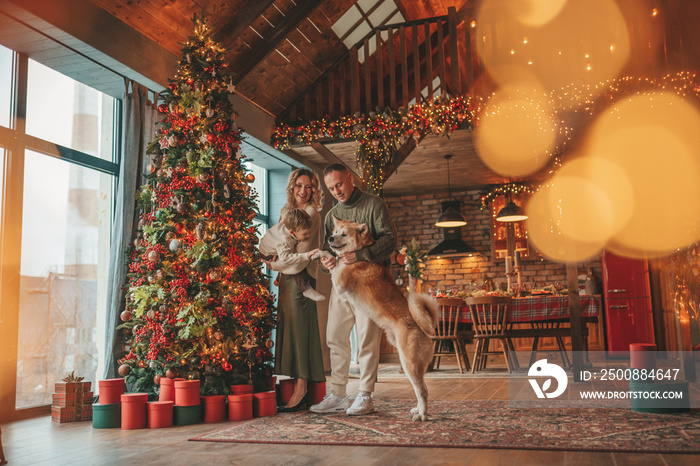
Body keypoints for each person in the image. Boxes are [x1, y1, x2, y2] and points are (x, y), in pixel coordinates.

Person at [310, 163, 397, 416]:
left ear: (350, 178)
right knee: (335, 335)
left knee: (367, 337)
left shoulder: (374, 204)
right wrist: (325, 262)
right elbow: (328, 249)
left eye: (339, 184)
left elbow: (390, 239)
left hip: (368, 283)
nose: (336, 191)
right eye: (330, 188)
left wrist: (361, 253)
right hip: (340, 282)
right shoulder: (331, 215)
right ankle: (338, 394)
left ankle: (365, 394)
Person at [265, 168, 326, 412]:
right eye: (299, 185)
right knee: (289, 330)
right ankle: (294, 388)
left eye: (308, 186)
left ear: (314, 189)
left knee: (301, 333)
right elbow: (280, 243)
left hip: (301, 277)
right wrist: (276, 262)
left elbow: (299, 257)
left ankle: (301, 391)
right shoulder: (287, 211)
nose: (303, 191)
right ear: (292, 187)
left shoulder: (311, 212)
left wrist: (274, 264)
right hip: (286, 279)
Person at [259, 208, 325, 302]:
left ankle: (278, 279)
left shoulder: (291, 224)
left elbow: (286, 212)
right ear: (292, 232)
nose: (309, 235)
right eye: (305, 234)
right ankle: (306, 289)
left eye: (309, 232)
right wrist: (306, 255)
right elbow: (286, 259)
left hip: (271, 243)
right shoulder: (284, 240)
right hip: (266, 252)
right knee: (292, 264)